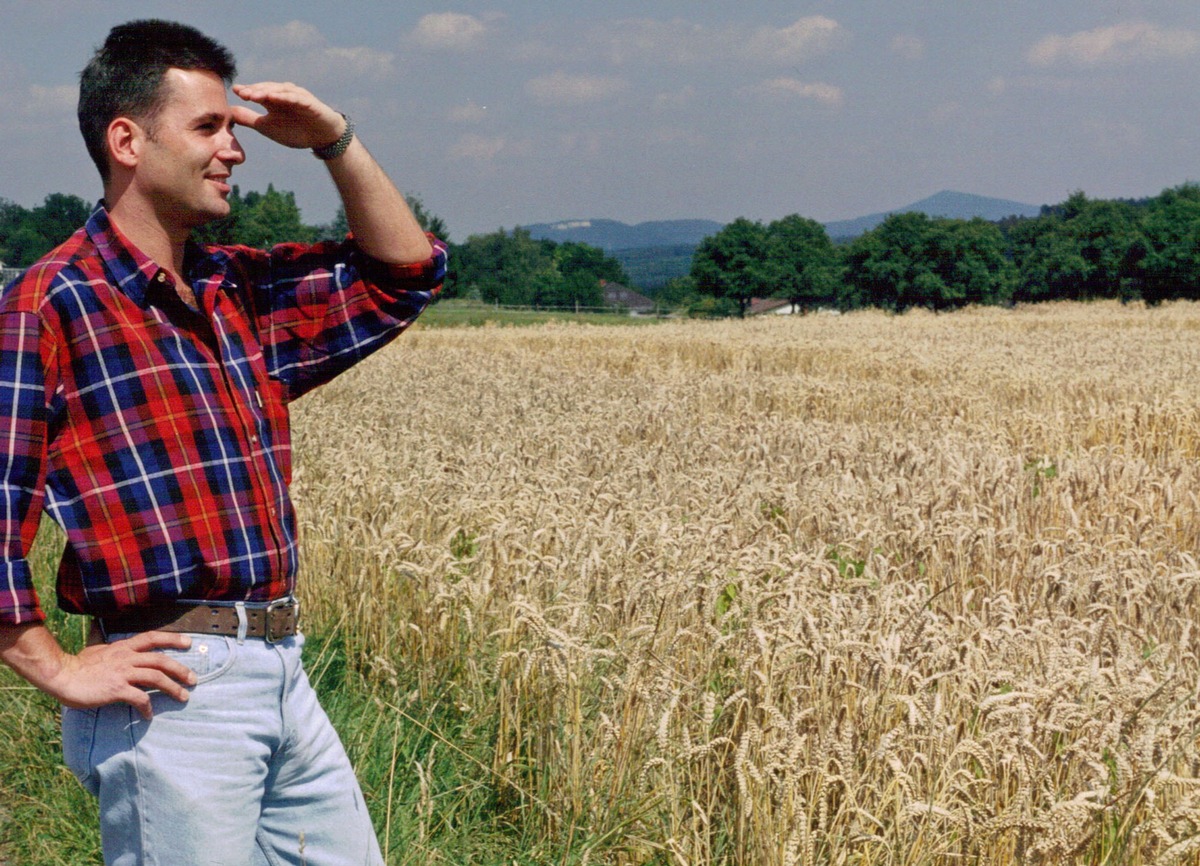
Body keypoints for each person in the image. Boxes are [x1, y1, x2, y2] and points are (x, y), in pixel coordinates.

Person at [0, 19, 445, 865]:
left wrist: (336, 142)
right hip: (169, 688)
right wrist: (54, 667)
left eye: (232, 130)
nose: (234, 150)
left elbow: (405, 272)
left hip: (281, 664)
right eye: (209, 127)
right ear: (126, 140)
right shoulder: (50, 303)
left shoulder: (232, 286)